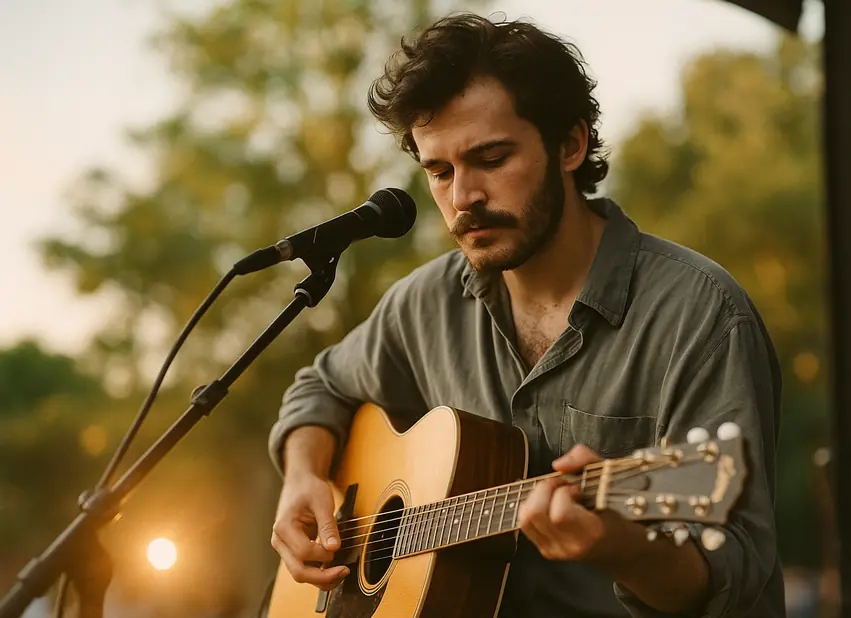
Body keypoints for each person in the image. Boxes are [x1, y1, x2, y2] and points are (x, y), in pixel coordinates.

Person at [267, 11, 784, 618]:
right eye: (439, 171)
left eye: (490, 158)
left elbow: (733, 577)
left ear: (571, 145)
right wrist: (302, 476)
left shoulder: (700, 314)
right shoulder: (425, 305)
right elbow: (320, 387)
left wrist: (626, 550)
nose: (463, 197)